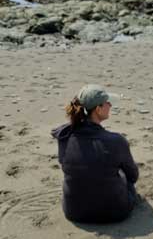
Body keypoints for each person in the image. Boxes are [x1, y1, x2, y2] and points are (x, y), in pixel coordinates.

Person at [52, 84, 139, 223]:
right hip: (115, 212)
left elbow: (66, 165)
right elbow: (133, 176)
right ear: (98, 109)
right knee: (123, 174)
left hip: (74, 212)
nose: (110, 105)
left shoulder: (64, 136)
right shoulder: (116, 141)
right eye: (107, 103)